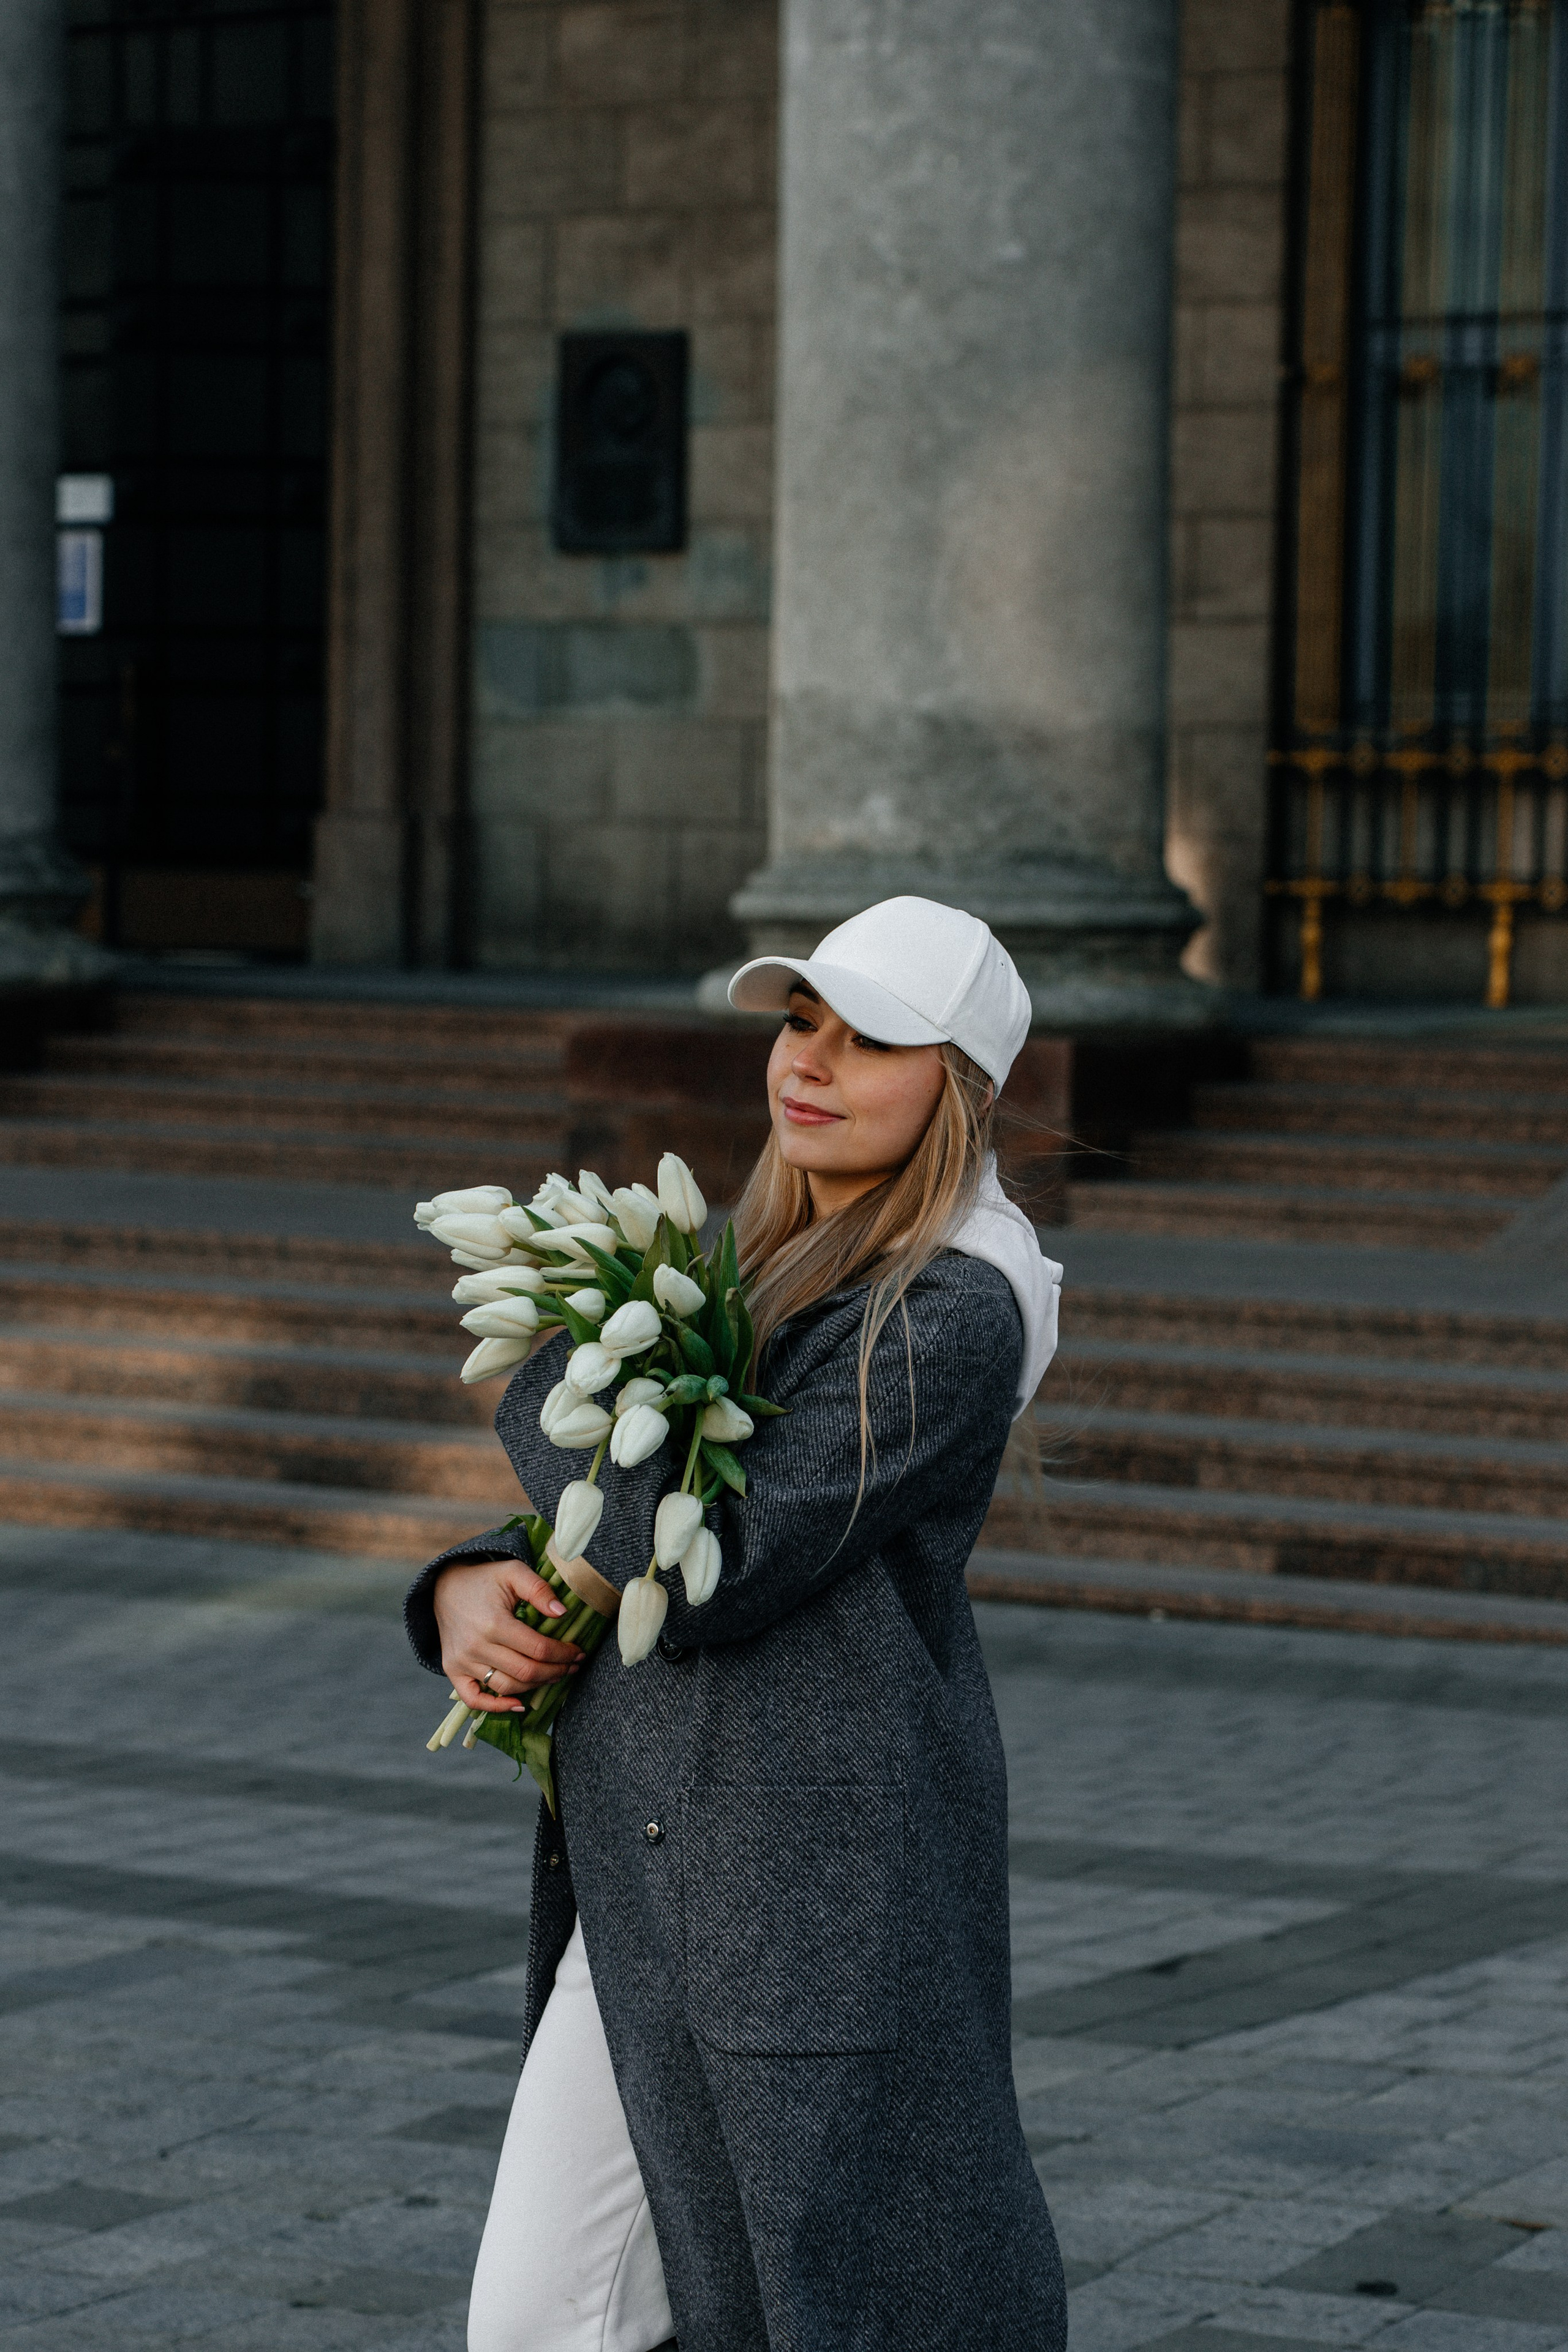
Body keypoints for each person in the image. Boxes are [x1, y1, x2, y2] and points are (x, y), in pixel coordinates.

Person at [404, 896, 1069, 2352]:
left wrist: (543, 1358)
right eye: (797, 1021)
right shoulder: (759, 1265)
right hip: (656, 1869)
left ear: (954, 1085)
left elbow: (723, 1549)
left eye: (869, 1038)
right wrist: (465, 1582)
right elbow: (635, 1502)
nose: (809, 1063)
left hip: (803, 1893)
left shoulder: (956, 1303)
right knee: (543, 2319)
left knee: (820, 2302)